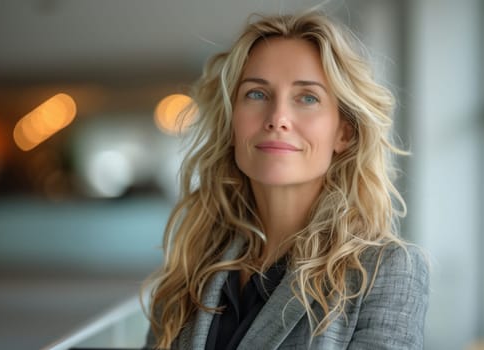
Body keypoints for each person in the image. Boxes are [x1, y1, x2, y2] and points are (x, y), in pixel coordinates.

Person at [143, 10, 429, 350]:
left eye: (307, 97)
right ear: (232, 124)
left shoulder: (385, 269)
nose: (277, 118)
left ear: (344, 132)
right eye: (256, 94)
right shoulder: (193, 265)